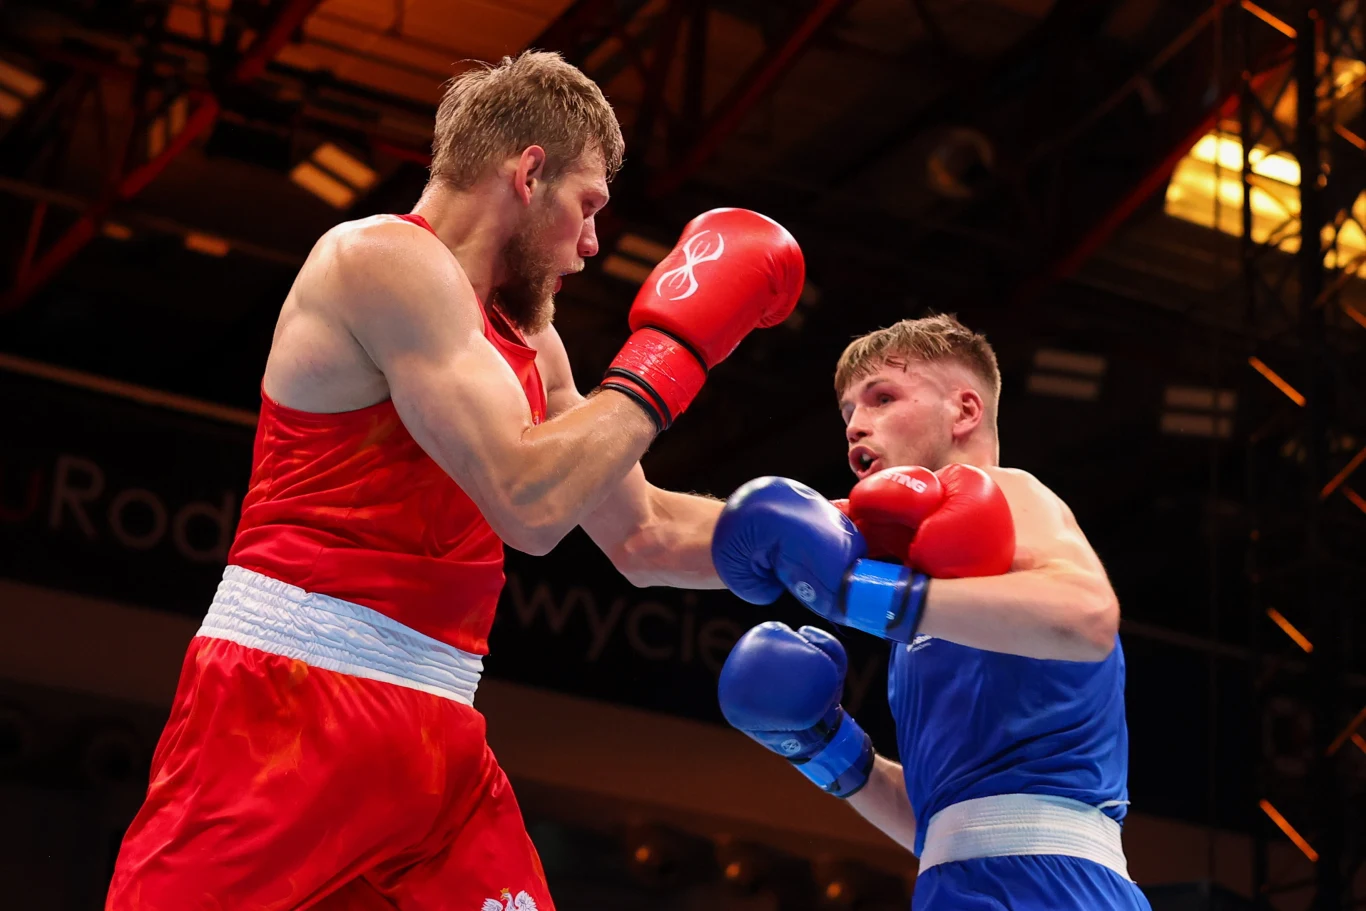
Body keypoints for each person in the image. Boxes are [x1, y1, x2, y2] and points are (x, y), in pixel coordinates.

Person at [105, 50, 802, 911]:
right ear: (529, 171)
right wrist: (678, 352)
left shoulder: (528, 339)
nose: (590, 247)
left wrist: (852, 539)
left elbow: (643, 532)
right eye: (588, 207)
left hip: (438, 744)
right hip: (288, 704)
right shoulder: (377, 259)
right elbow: (528, 502)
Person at [710, 314, 1152, 910]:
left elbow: (1089, 616)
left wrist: (858, 595)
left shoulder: (1009, 493)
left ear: (965, 411)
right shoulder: (922, 594)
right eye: (847, 413)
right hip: (955, 884)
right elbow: (948, 828)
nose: (857, 425)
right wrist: (826, 745)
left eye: (883, 398)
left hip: (1055, 885)